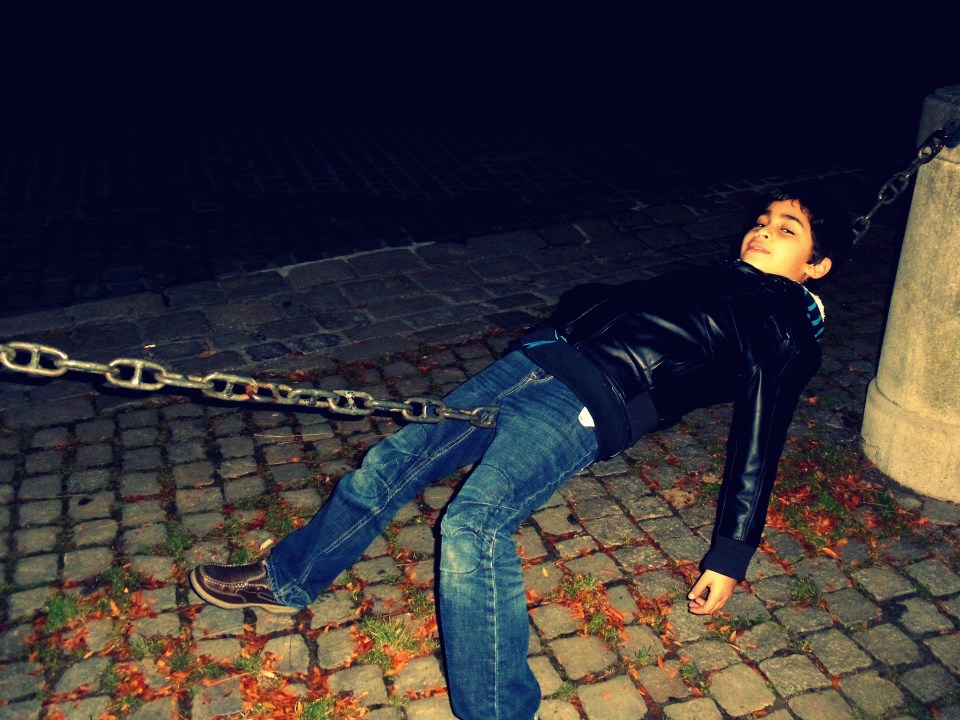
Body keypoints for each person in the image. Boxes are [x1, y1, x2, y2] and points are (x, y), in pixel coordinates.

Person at [190, 183, 850, 720]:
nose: (762, 230)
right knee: (392, 462)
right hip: (533, 365)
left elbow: (762, 436)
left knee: (472, 525)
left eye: (786, 229)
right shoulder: (721, 277)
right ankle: (290, 577)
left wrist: (731, 555)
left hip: (585, 404)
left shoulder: (785, 328)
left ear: (816, 266)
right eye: (762, 220)